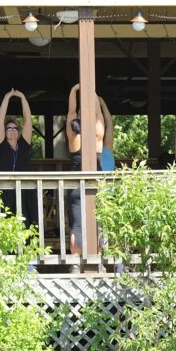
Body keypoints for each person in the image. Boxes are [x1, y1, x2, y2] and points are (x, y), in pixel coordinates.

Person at [65, 84, 116, 257]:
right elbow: (99, 113)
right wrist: (91, 90)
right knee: (98, 224)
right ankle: (98, 261)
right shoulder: (97, 133)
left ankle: (75, 263)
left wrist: (74, 90)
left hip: (76, 185)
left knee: (77, 225)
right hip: (96, 184)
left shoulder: (74, 134)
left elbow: (71, 111)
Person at [0, 88, 37, 226]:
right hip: (4, 190)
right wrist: (7, 98)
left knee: (26, 224)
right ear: (5, 132)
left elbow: (28, 121)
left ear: (18, 132)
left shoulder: (23, 145)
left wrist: (23, 98)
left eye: (15, 129)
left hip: (24, 190)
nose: (12, 131)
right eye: (9, 128)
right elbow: (0, 120)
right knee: (5, 224)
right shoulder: (1, 145)